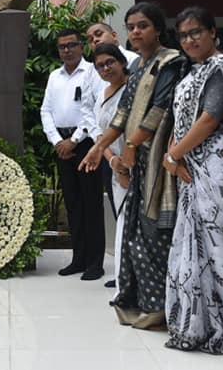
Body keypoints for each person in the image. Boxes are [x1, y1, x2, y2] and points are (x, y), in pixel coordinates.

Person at [163, 7, 223, 354]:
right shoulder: (190, 74)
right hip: (192, 167)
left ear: (213, 34)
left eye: (196, 32)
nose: (190, 40)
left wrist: (174, 155)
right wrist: (173, 158)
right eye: (183, 35)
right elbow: (182, 122)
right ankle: (198, 326)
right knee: (194, 247)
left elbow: (209, 119)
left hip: (222, 169)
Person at [81, 2, 184, 330]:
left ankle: (170, 310)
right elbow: (123, 115)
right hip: (137, 161)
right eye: (131, 27)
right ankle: (146, 306)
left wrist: (129, 146)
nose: (136, 32)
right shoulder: (139, 66)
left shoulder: (170, 61)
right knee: (136, 236)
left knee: (158, 235)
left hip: (162, 162)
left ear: (158, 29)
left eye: (142, 26)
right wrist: (99, 149)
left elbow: (159, 110)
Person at [41, 29, 104, 280]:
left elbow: (94, 110)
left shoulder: (92, 72)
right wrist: (58, 141)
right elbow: (46, 110)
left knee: (91, 205)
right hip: (62, 146)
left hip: (86, 144)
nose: (66, 50)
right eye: (62, 47)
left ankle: (95, 263)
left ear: (81, 47)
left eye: (71, 45)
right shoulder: (54, 76)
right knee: (73, 204)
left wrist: (74, 140)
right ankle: (78, 259)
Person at [90, 42, 130, 291]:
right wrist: (112, 160)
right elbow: (99, 133)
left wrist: (124, 162)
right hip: (114, 165)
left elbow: (134, 129)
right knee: (121, 221)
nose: (106, 69)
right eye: (100, 66)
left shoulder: (133, 90)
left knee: (131, 223)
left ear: (122, 62)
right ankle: (124, 277)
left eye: (109, 63)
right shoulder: (103, 93)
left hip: (133, 165)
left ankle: (134, 278)